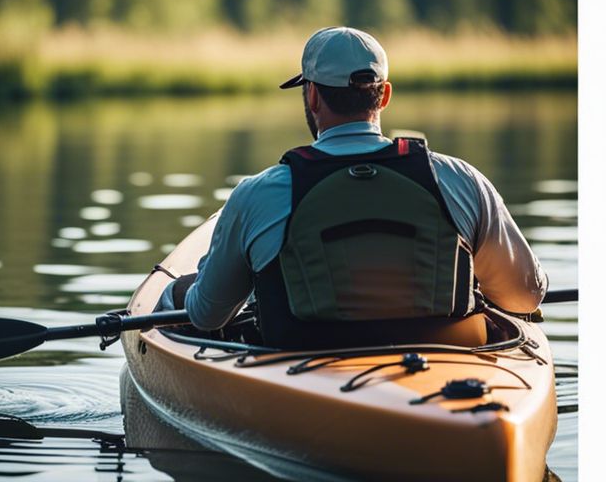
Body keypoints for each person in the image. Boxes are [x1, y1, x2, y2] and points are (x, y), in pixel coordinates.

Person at [158, 26, 547, 349]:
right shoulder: (460, 180)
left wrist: (182, 293)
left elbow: (206, 315)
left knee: (173, 302)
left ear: (312, 95)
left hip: (301, 379)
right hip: (448, 368)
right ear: (385, 95)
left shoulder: (260, 194)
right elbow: (525, 296)